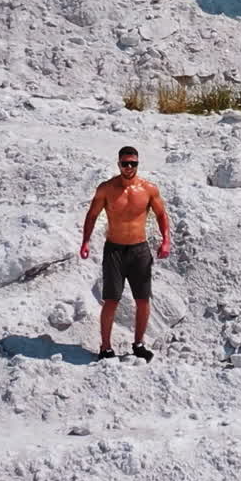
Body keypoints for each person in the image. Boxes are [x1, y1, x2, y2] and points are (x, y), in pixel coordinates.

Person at [80, 146, 171, 361]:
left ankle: (139, 344)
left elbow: (161, 214)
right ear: (118, 163)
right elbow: (92, 215)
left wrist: (166, 240)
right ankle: (105, 347)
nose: (129, 167)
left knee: (142, 300)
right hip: (114, 250)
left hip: (139, 249)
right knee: (111, 300)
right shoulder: (107, 189)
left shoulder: (148, 189)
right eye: (125, 163)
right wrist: (85, 241)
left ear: (138, 164)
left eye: (133, 163)